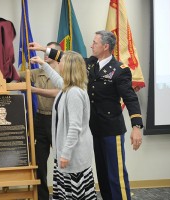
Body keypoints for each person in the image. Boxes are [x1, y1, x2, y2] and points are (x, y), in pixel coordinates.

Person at [29, 30, 143, 200]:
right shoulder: (90, 63)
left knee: (116, 176)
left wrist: (137, 127)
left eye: (95, 42)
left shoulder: (120, 70)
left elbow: (130, 97)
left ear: (105, 46)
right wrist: (43, 49)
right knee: (103, 176)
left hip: (111, 130)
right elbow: (68, 58)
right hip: (93, 128)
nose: (91, 45)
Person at [30, 51, 97, 199]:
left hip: (74, 154)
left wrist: (65, 154)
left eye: (61, 62)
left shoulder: (74, 93)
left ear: (68, 67)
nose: (58, 63)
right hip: (68, 153)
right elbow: (57, 80)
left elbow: (75, 127)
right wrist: (43, 64)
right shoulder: (68, 87)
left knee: (75, 194)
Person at [19, 42, 61, 200]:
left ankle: (61, 194)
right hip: (40, 120)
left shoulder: (64, 73)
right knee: (39, 162)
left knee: (62, 160)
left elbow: (57, 92)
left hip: (57, 120)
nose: (46, 54)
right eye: (45, 51)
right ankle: (43, 196)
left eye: (50, 52)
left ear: (58, 56)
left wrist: (35, 90)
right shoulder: (37, 73)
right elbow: (16, 75)